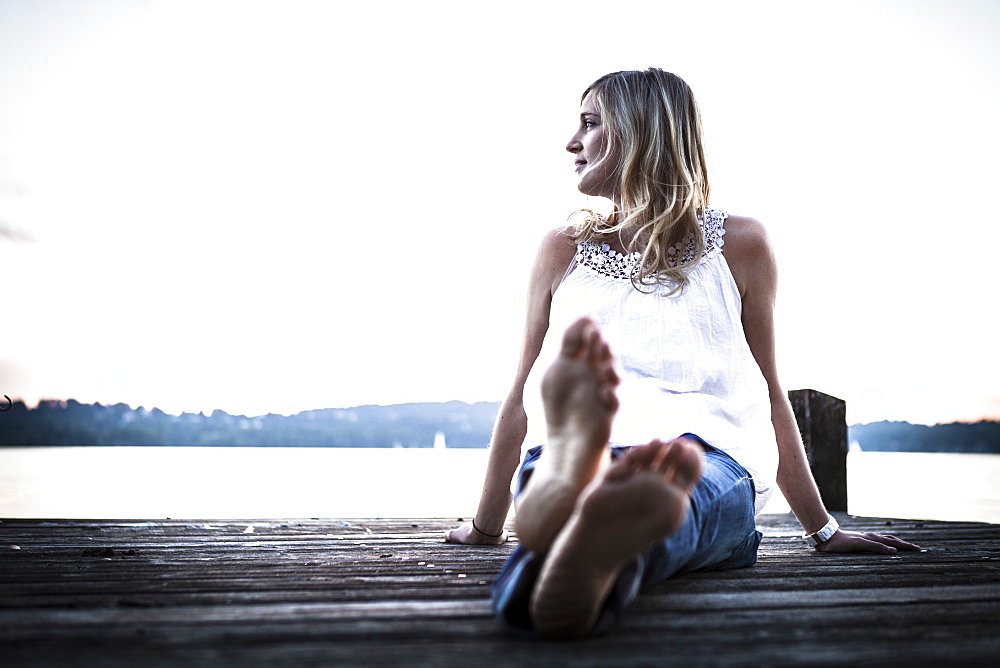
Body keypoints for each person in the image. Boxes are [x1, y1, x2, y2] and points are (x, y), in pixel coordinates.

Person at [445, 68, 919, 638]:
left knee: (647, 499)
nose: (571, 142)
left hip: (699, 456)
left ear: (641, 135)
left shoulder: (738, 244)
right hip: (652, 459)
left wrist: (488, 529)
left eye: (590, 124)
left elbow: (770, 391)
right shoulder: (563, 250)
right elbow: (522, 395)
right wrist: (484, 525)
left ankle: (565, 533)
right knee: (671, 509)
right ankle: (586, 519)